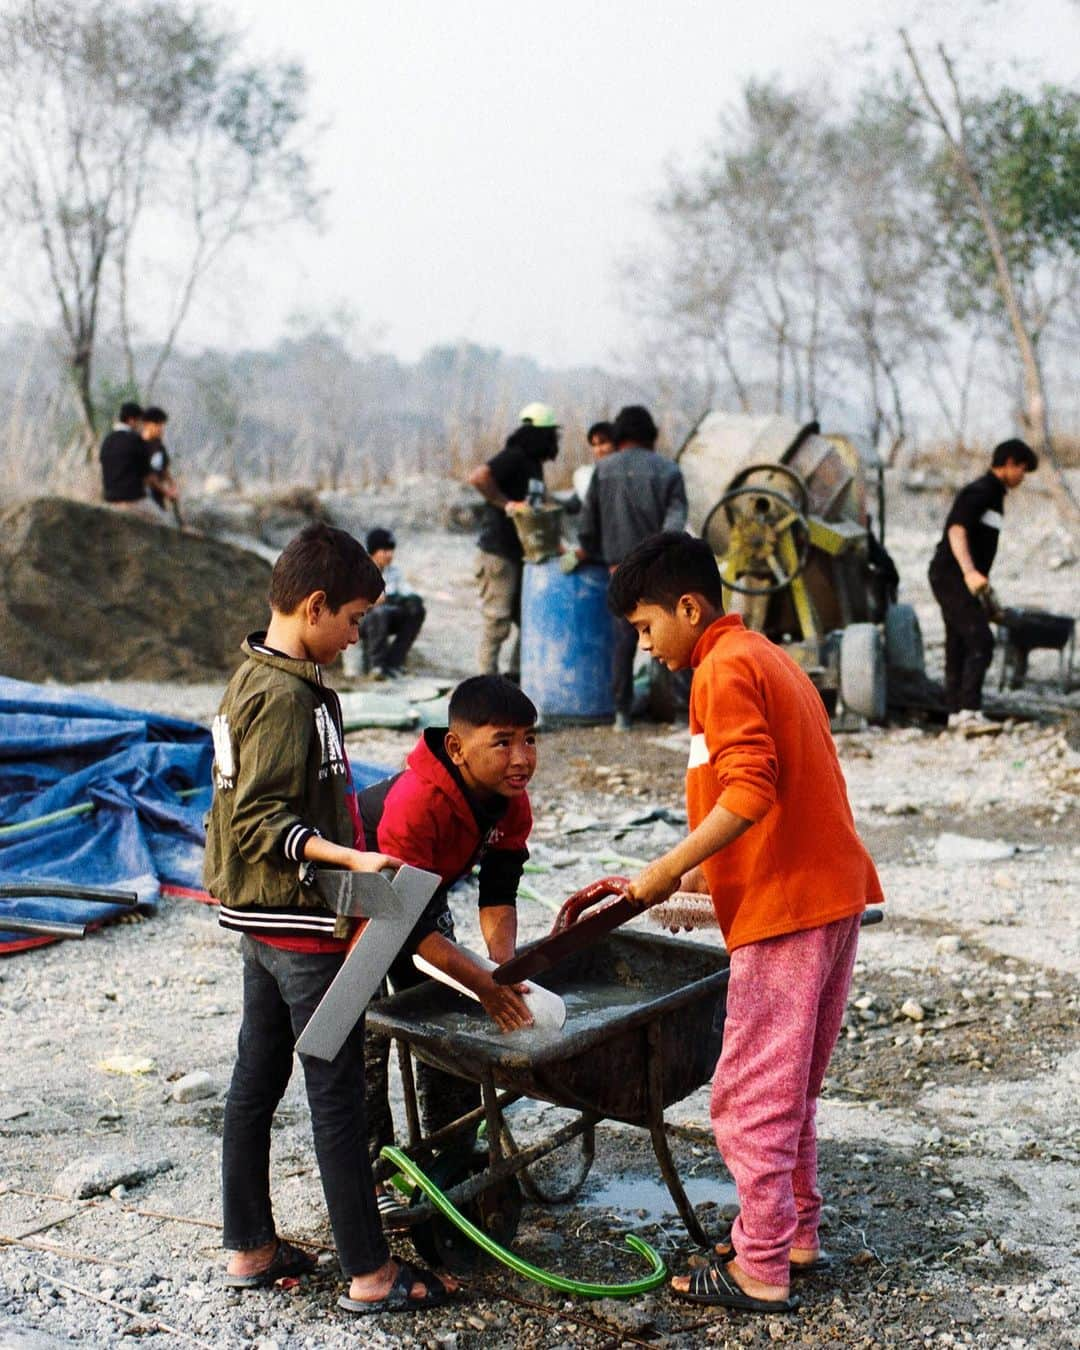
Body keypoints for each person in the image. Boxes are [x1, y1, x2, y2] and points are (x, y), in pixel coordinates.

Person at [608, 532, 883, 1316]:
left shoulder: (720, 669)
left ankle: (761, 1265)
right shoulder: (765, 654)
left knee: (747, 1091)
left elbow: (750, 791)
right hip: (829, 896)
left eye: (645, 627)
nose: (645, 646)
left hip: (788, 906)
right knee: (788, 1082)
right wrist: (697, 878)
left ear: (689, 608)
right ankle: (792, 1232)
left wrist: (664, 868)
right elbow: (769, 791)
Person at [204, 521, 456, 1316]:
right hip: (306, 930)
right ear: (314, 607)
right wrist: (351, 861)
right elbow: (257, 819)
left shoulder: (260, 672)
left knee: (257, 1079)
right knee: (336, 1094)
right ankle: (372, 1275)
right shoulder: (283, 696)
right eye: (350, 620)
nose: (354, 638)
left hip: (262, 923)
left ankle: (250, 1247)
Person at [359, 675, 536, 1211]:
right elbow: (405, 930)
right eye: (502, 741)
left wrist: (501, 969)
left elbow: (499, 888)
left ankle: (448, 1149)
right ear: (457, 748)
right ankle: (374, 1175)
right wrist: (480, 980)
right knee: (367, 1037)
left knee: (445, 1018)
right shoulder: (419, 801)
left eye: (530, 739)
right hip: (359, 898)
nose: (521, 757)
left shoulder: (511, 799)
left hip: (420, 892)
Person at [576, 405, 688, 731]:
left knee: (623, 643)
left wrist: (596, 553)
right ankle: (683, 713)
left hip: (619, 571)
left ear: (619, 436)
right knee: (674, 637)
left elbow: (587, 527)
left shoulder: (603, 470)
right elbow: (676, 522)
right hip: (659, 569)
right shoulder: (668, 470)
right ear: (650, 435)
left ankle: (622, 714)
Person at [928, 438, 1038, 730]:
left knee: (959, 640)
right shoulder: (980, 491)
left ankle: (955, 714)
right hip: (951, 575)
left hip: (958, 577)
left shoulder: (995, 496)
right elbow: (956, 530)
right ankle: (969, 710)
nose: (1022, 478)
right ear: (1010, 463)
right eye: (1022, 470)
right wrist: (968, 572)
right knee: (980, 640)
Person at [467, 402, 560, 680]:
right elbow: (478, 477)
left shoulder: (533, 466)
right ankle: (486, 683)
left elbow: (537, 503)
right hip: (498, 552)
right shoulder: (514, 457)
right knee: (497, 621)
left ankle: (516, 677)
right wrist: (505, 503)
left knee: (529, 618)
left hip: (520, 555)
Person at [360, 527, 426, 679]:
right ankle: (377, 667)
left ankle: (395, 663)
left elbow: (407, 591)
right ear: (373, 552)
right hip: (360, 621)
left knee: (416, 611)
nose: (389, 555)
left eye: (391, 550)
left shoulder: (393, 571)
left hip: (383, 618)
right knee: (380, 612)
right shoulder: (360, 570)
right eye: (384, 550)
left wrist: (412, 601)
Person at [99, 401, 151, 510]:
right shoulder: (136, 440)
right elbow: (148, 476)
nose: (141, 425)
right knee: (166, 520)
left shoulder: (107, 441)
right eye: (140, 421)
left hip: (109, 499)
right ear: (131, 420)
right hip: (133, 500)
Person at [140, 406, 181, 522]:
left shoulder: (159, 446)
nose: (161, 429)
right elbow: (148, 479)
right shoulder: (138, 446)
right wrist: (166, 492)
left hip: (158, 496)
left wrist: (173, 487)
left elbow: (165, 470)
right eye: (157, 425)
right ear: (147, 424)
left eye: (162, 425)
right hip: (144, 497)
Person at [572, 420, 616, 502]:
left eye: (603, 443)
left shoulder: (628, 472)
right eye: (594, 445)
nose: (598, 450)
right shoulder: (586, 475)